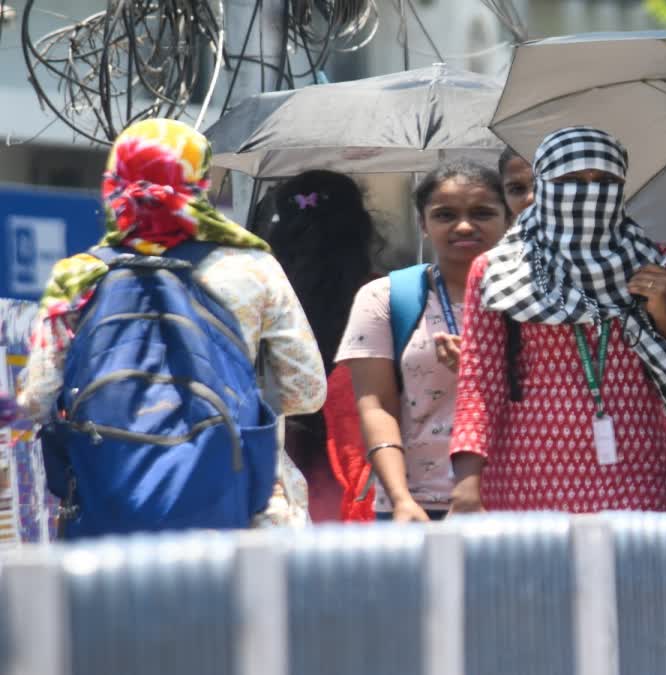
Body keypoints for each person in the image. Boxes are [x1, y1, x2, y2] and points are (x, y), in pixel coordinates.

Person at [18, 119, 325, 534]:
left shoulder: (77, 277)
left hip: (113, 518)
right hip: (246, 517)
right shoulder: (254, 269)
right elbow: (306, 391)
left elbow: (37, 400)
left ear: (114, 181)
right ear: (201, 182)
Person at [449, 127, 666, 513]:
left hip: (637, 470)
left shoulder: (662, 264)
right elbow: (479, 383)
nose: (590, 191)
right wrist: (467, 485)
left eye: (606, 180)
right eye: (571, 180)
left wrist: (660, 309)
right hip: (525, 475)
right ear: (544, 185)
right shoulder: (501, 270)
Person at [335, 161, 511, 522]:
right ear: (423, 224)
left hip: (511, 500)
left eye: (482, 213)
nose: (464, 226)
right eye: (445, 215)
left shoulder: (533, 300)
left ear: (508, 220)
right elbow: (376, 406)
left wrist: (482, 374)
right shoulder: (385, 297)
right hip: (415, 505)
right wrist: (400, 498)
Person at [267, 170, 376, 521]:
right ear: (360, 228)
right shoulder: (382, 293)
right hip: (358, 452)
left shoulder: (261, 292)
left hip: (282, 449)